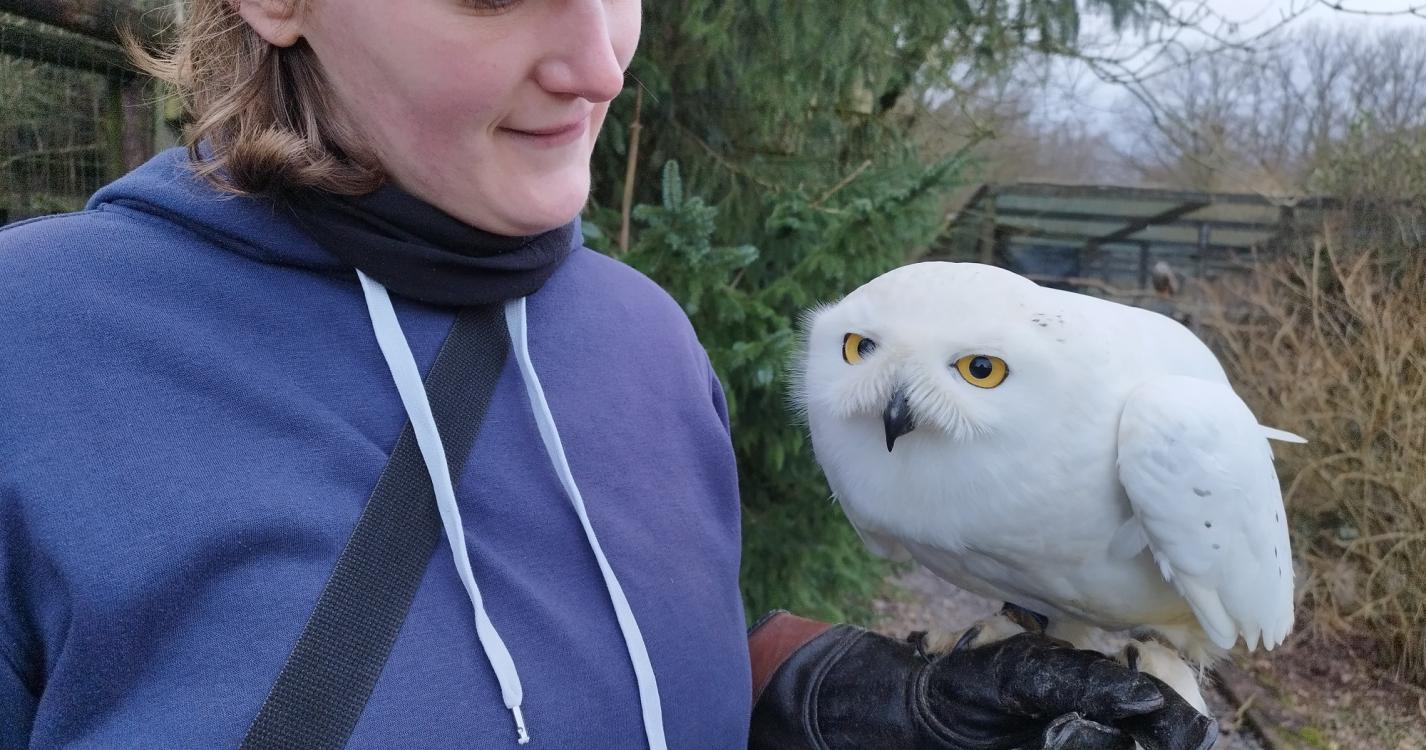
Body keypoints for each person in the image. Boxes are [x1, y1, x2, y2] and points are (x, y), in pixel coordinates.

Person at [0, 1, 1217, 748]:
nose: (599, 64)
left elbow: (582, 673)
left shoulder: (645, 338)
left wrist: (832, 705)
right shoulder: (37, 348)